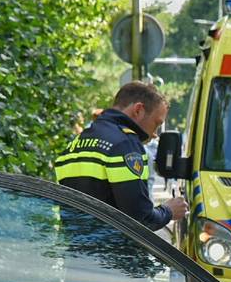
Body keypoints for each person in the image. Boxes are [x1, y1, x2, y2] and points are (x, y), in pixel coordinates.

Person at [54, 82, 186, 229]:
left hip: (75, 250)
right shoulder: (125, 144)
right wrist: (168, 210)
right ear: (138, 110)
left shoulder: (75, 144)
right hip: (113, 250)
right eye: (156, 123)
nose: (155, 134)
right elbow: (141, 220)